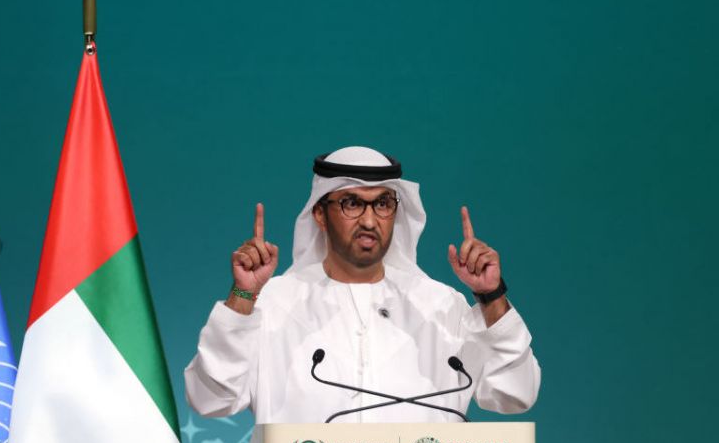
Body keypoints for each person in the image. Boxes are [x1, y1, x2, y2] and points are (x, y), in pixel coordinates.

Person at [184, 146, 540, 424]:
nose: (370, 220)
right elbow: (209, 398)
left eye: (383, 203)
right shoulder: (272, 303)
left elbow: (516, 392)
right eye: (352, 203)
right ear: (320, 214)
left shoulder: (439, 306)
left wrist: (491, 297)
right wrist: (243, 295)